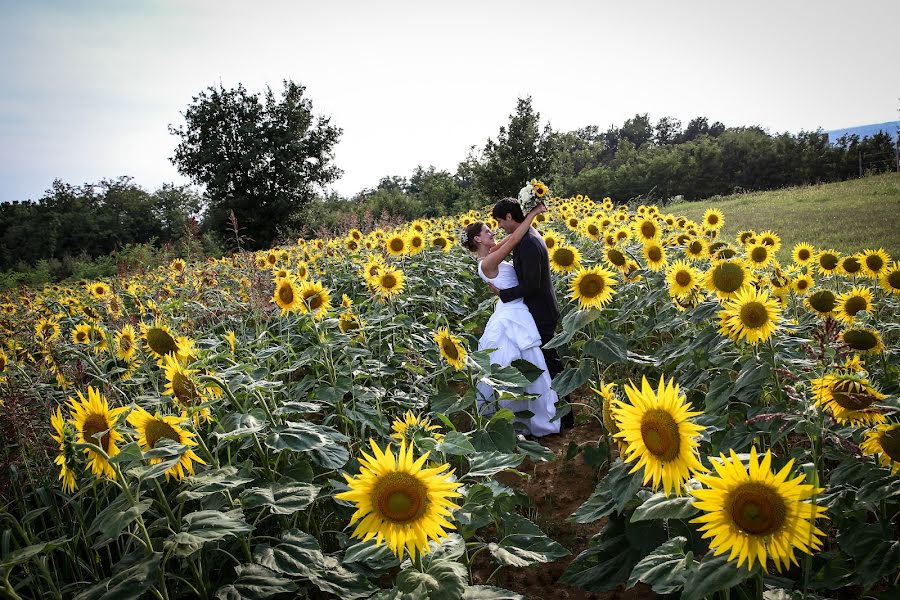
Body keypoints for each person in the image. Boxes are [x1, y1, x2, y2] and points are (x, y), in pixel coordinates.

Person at [461, 203, 561, 437]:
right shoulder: (487, 262)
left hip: (518, 308)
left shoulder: (493, 250)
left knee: (529, 360)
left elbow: (514, 237)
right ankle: (524, 416)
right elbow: (515, 238)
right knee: (523, 361)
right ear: (478, 239)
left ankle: (532, 413)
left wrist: (528, 218)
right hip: (514, 311)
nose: (493, 232)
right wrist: (533, 213)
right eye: (487, 231)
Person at [489, 198, 574, 429]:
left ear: (509, 216)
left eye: (499, 222)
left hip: (541, 311)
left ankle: (565, 416)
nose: (499, 228)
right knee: (547, 361)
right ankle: (560, 413)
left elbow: (532, 285)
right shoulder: (527, 235)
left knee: (550, 362)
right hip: (538, 309)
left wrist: (503, 293)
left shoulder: (527, 243)